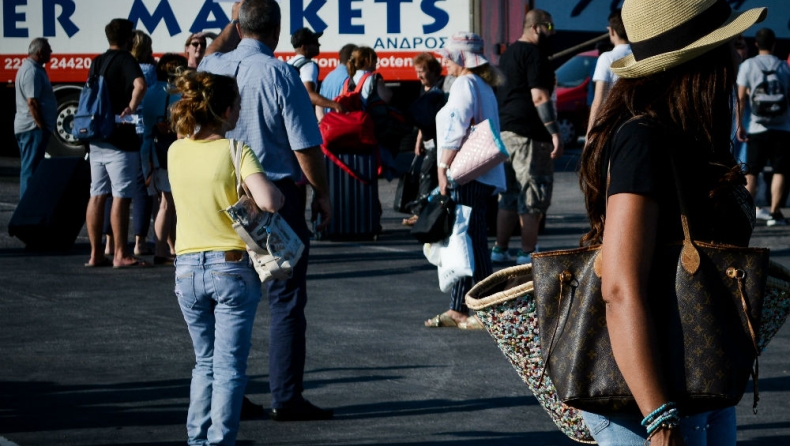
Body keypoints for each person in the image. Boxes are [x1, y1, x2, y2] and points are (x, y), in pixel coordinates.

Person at [579, 0, 767, 444]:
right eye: (727, 44)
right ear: (702, 61)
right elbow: (620, 286)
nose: (736, 55)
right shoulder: (643, 139)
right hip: (644, 400)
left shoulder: (693, 137)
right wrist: (660, 423)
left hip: (702, 383)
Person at [199, 0, 334, 421]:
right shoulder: (280, 73)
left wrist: (233, 20)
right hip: (273, 197)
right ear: (277, 32)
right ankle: (286, 398)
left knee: (231, 300)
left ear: (238, 26)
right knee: (285, 299)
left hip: (222, 194)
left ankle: (230, 394)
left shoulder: (214, 68)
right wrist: (324, 193)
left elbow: (210, 52)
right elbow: (305, 145)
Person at [168, 69, 285, 446]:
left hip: (186, 268)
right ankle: (220, 441)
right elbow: (268, 200)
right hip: (231, 266)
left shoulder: (175, 150)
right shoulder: (235, 150)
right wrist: (273, 197)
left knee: (204, 362)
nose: (238, 112)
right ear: (225, 110)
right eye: (236, 106)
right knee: (229, 367)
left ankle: (197, 438)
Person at [423, 32, 506, 330]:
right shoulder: (482, 84)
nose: (444, 61)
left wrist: (442, 167)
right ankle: (459, 308)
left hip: (466, 172)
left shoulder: (464, 84)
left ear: (461, 57)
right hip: (482, 172)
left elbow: (456, 127)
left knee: (469, 239)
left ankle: (485, 310)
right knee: (468, 238)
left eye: (449, 55)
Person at [492, 9, 564, 266]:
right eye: (549, 27)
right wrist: (555, 132)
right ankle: (527, 252)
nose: (552, 32)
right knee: (532, 194)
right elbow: (540, 97)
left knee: (509, 195)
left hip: (507, 132)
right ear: (536, 27)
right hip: (529, 136)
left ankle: (500, 249)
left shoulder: (509, 53)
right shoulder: (535, 54)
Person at [84, 18, 148, 268]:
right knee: (121, 195)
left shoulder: (97, 61)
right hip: (121, 137)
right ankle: (121, 254)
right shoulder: (126, 60)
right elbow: (140, 85)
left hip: (97, 135)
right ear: (129, 37)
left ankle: (95, 254)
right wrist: (131, 107)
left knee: (97, 194)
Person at [104, 29, 157, 258]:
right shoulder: (148, 72)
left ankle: (109, 242)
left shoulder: (119, 68)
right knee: (142, 188)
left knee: (112, 189)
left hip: (118, 132)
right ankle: (139, 241)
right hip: (143, 132)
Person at [737, 27, 790, 227]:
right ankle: (775, 214)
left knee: (752, 172)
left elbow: (741, 97)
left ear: (756, 44)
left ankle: (748, 213)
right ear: (774, 44)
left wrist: (739, 124)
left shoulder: (748, 66)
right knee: (780, 170)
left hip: (756, 127)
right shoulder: (784, 67)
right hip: (782, 127)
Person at [141, 53, 189, 264]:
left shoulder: (150, 90)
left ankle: (170, 247)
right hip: (166, 150)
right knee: (168, 204)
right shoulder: (174, 94)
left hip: (149, 147)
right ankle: (161, 250)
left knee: (162, 202)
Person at [402, 52, 452, 226]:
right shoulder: (424, 89)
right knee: (428, 175)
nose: (419, 75)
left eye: (422, 71)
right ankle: (427, 211)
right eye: (417, 71)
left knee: (427, 174)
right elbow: (424, 120)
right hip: (429, 141)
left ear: (432, 70)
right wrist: (418, 141)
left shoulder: (442, 88)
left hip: (441, 141)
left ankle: (421, 213)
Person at [13, 37, 56, 199]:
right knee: (30, 169)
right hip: (32, 129)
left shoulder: (33, 68)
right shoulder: (31, 71)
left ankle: (29, 203)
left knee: (32, 167)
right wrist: (41, 126)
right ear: (40, 52)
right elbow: (32, 102)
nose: (51, 52)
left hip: (31, 128)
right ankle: (26, 206)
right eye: (49, 49)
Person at [587, 8, 631, 134]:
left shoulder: (607, 58)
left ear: (611, 31)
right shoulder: (640, 54)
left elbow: (598, 100)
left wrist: (590, 134)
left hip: (613, 125)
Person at [288, 27, 343, 115]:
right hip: (300, 116)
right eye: (315, 42)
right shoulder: (308, 65)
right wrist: (335, 105)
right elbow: (309, 94)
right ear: (304, 47)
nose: (319, 45)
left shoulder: (289, 63)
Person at [317, 43, 358, 119]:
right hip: (341, 124)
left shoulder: (328, 77)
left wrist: (322, 121)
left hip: (328, 126)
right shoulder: (350, 78)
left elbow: (318, 104)